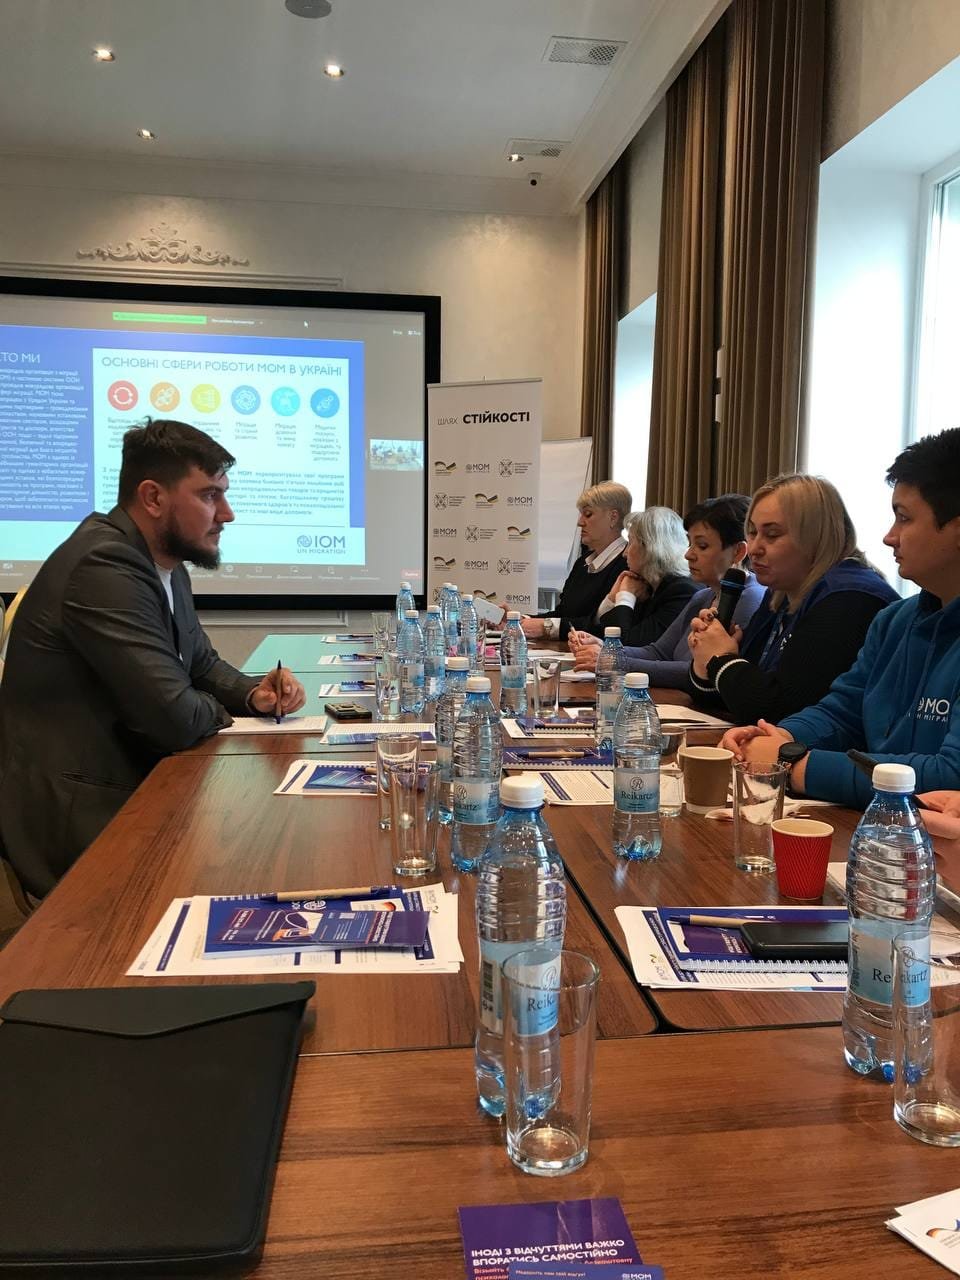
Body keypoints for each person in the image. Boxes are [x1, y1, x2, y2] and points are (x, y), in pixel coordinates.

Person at [0, 419, 306, 899]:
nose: (227, 514)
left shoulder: (164, 564)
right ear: (153, 498)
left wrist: (253, 694)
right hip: (83, 821)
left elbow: (200, 663)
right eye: (209, 496)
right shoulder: (104, 565)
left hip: (135, 788)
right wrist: (207, 706)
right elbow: (175, 719)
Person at [722, 429, 960, 809]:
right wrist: (780, 736)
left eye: (904, 519)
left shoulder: (853, 597)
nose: (889, 537)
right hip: (879, 826)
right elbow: (842, 711)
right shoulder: (895, 621)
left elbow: (950, 777)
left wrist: (797, 766)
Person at [685, 473, 897, 726]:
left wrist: (721, 659)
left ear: (816, 536)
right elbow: (731, 698)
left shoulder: (850, 599)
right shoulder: (781, 591)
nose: (754, 549)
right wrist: (706, 659)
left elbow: (781, 711)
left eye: (772, 535)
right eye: (752, 532)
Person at [569, 494, 764, 683]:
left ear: (738, 552)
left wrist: (615, 661)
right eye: (690, 544)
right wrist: (606, 649)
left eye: (702, 546)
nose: (688, 555)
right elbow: (658, 651)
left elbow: (701, 670)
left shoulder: (750, 598)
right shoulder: (702, 596)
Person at [568, 506, 699, 650]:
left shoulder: (681, 591)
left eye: (630, 543)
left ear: (649, 548)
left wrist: (625, 596)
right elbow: (606, 634)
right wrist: (610, 599)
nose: (625, 553)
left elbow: (625, 645)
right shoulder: (646, 584)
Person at [520, 481, 631, 641]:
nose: (580, 522)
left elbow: (602, 625)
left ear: (613, 517)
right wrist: (519, 621)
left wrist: (547, 627)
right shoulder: (582, 562)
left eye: (588, 514)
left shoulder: (626, 565)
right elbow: (563, 614)